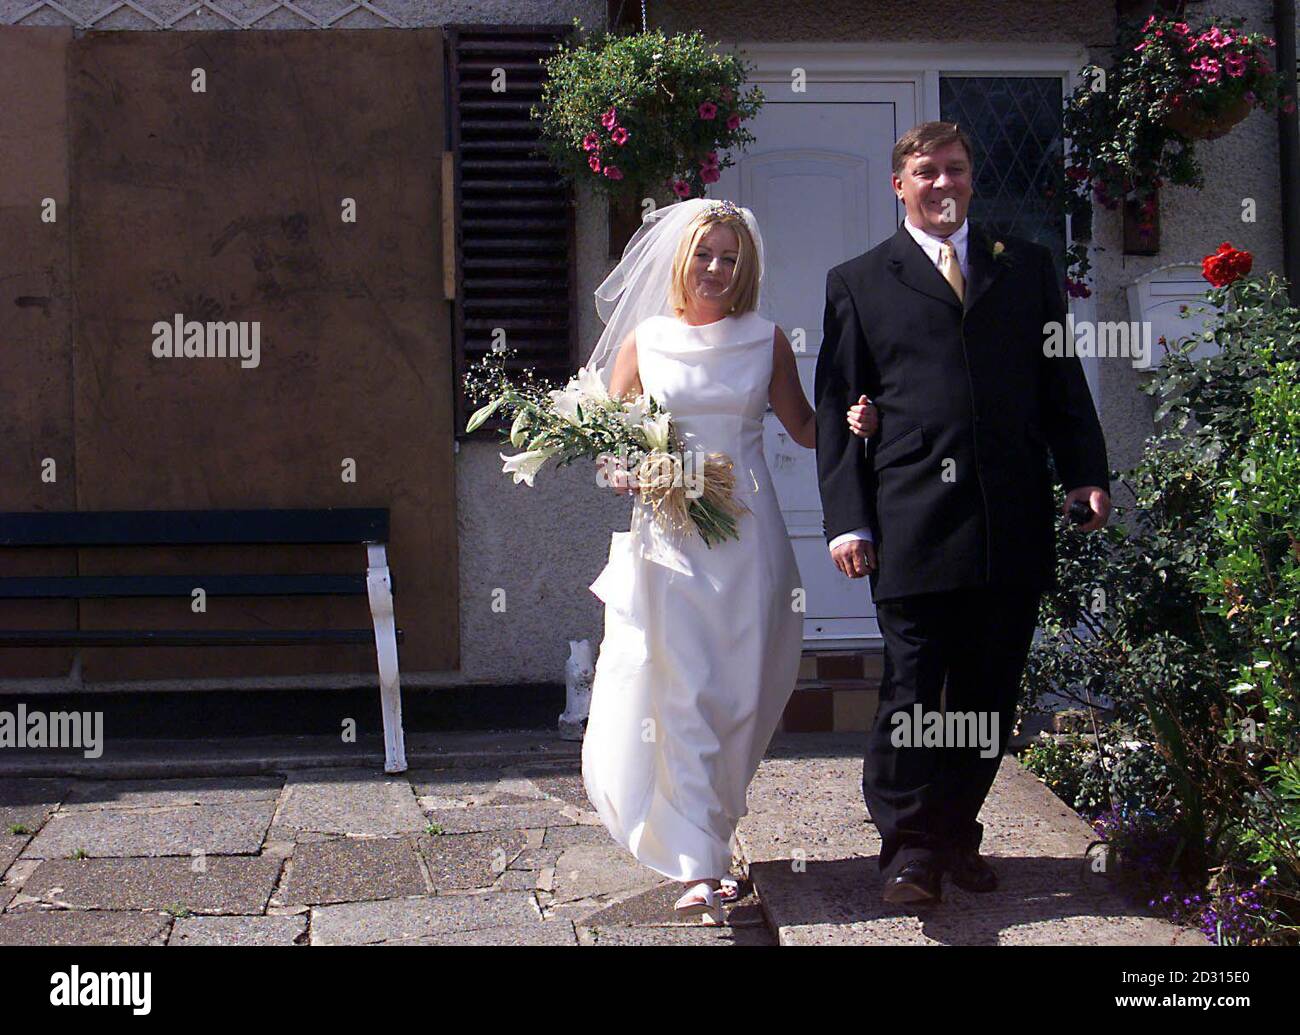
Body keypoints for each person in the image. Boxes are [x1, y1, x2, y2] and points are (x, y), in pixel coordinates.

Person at [817, 121, 1112, 905]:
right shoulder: (858, 280)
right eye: (925, 172)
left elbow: (1061, 380)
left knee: (987, 693)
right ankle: (908, 847)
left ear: (972, 179)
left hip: (1009, 518)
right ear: (899, 185)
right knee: (913, 687)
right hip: (911, 519)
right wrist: (849, 519)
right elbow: (836, 403)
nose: (942, 184)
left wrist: (1084, 471)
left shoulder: (1028, 268)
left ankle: (955, 833)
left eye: (955, 170)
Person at [581, 197, 878, 923]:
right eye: (707, 254)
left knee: (742, 692)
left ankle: (710, 826)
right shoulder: (643, 343)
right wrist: (622, 470)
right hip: (672, 540)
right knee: (683, 691)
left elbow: (805, 429)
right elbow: (604, 445)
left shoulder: (765, 339)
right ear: (682, 258)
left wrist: (855, 422)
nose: (717, 268)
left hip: (750, 539)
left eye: (731, 258)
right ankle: (698, 864)